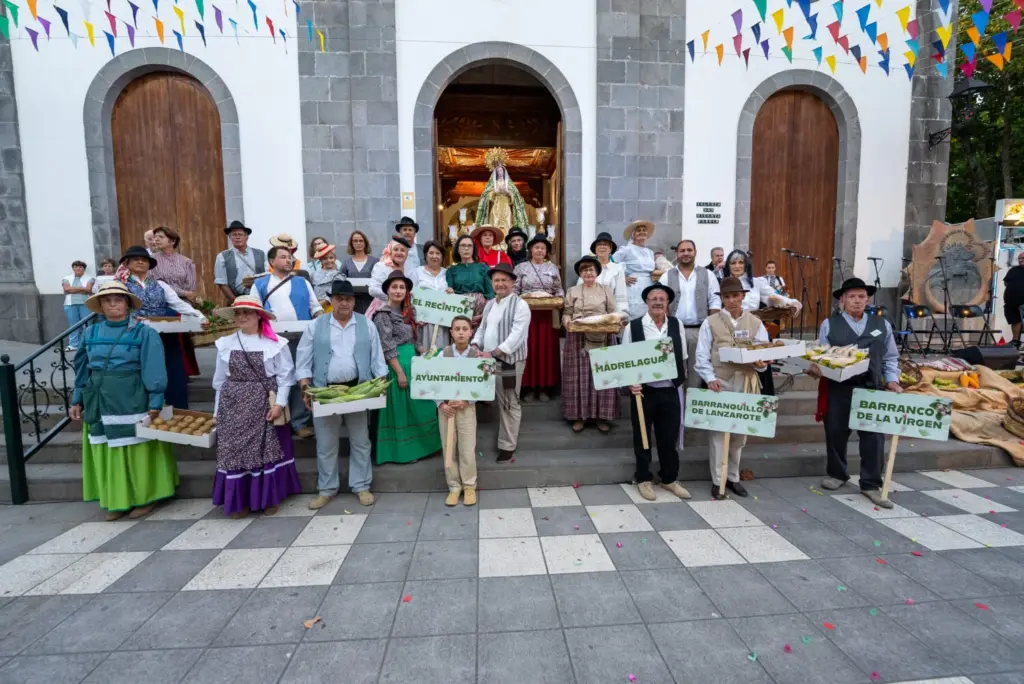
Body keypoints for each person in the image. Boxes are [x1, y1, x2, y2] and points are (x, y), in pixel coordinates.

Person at [69, 281, 178, 520]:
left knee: (135, 445)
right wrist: (77, 398)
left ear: (127, 303)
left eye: (118, 299)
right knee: (107, 446)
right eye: (107, 300)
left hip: (131, 394)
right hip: (98, 395)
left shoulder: (143, 332)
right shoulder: (91, 332)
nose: (113, 304)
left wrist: (155, 399)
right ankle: (117, 499)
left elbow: (154, 367)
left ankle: (144, 497)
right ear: (100, 305)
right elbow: (81, 368)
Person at [811, 277, 903, 508]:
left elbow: (890, 358)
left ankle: (871, 483)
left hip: (871, 387)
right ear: (842, 300)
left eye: (861, 296)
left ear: (868, 299)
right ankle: (837, 473)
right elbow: (822, 355)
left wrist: (892, 380)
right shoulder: (829, 325)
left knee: (873, 437)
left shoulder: (882, 325)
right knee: (835, 432)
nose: (857, 301)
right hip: (839, 387)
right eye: (851, 296)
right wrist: (816, 367)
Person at [296, 280, 388, 509]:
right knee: (326, 443)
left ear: (354, 301)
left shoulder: (366, 324)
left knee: (360, 440)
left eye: (348, 298)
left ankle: (361, 486)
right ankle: (327, 489)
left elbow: (377, 357)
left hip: (358, 389)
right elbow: (303, 359)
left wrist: (381, 382)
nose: (344, 303)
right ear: (332, 300)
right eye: (339, 298)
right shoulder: (316, 325)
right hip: (325, 390)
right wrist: (305, 387)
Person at [210, 295, 301, 518]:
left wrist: (280, 404)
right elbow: (219, 381)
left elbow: (285, 377)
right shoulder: (226, 343)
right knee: (235, 452)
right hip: (232, 406)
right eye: (238, 313)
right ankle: (239, 502)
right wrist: (216, 412)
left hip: (264, 405)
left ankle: (269, 498)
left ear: (259, 316)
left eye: (247, 313)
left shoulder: (276, 344)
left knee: (266, 451)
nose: (242, 317)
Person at [694, 277, 771, 500]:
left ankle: (733, 478)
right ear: (722, 298)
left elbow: (764, 353)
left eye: (735, 296)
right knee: (719, 434)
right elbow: (701, 356)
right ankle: (718, 480)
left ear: (742, 296)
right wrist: (709, 378)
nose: (731, 300)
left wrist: (762, 365)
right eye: (726, 297)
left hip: (746, 382)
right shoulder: (710, 322)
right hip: (721, 381)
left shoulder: (755, 323)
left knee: (739, 435)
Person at [621, 282, 690, 502]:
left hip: (670, 390)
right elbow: (624, 357)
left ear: (668, 302)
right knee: (642, 437)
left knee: (668, 437)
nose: (658, 302)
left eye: (662, 298)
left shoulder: (676, 324)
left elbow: (683, 356)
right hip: (644, 392)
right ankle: (643, 478)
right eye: (653, 298)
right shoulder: (634, 326)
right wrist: (631, 382)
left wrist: (681, 381)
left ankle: (669, 478)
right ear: (646, 302)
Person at [120, 245, 206, 410]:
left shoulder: (161, 285)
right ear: (126, 263)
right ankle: (144, 410)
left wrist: (199, 316)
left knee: (171, 371)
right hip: (136, 335)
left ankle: (175, 409)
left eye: (144, 259)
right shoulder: (120, 285)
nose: (140, 262)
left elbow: (177, 303)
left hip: (165, 334)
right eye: (136, 259)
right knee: (142, 371)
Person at [253, 246, 324, 438]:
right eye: (283, 257)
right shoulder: (260, 284)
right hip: (271, 340)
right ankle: (277, 419)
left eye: (290, 257)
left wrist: (321, 323)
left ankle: (300, 421)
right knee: (277, 379)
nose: (288, 260)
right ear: (272, 262)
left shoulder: (302, 282)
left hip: (301, 338)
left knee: (302, 377)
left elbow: (315, 307)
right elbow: (254, 310)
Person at [373, 270, 441, 463]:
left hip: (414, 362)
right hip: (397, 365)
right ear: (387, 291)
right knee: (403, 410)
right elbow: (387, 346)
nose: (398, 290)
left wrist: (423, 349)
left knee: (422, 406)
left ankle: (426, 447)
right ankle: (405, 452)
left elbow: (414, 340)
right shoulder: (382, 315)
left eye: (402, 287)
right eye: (394, 287)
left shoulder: (410, 313)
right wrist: (400, 372)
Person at [471, 263, 531, 462]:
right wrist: (475, 344)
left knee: (509, 403)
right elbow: (482, 329)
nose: (500, 283)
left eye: (504, 280)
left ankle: (508, 446)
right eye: (496, 280)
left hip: (509, 362)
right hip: (486, 359)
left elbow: (516, 337)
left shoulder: (521, 305)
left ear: (512, 282)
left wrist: (494, 353)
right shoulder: (490, 304)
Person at [562, 256, 619, 433]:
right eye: (584, 270)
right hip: (578, 338)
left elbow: (612, 313)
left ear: (596, 272)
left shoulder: (606, 290)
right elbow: (566, 313)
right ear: (580, 273)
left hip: (603, 337)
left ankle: (601, 416)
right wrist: (568, 325)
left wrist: (614, 324)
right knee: (579, 378)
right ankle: (580, 416)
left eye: (591, 269)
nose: (588, 272)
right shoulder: (573, 290)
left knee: (601, 376)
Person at [659, 240, 722, 388]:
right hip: (674, 330)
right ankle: (678, 405)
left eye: (689, 250)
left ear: (695, 252)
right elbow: (661, 302)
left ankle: (692, 406)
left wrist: (711, 326)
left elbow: (715, 300)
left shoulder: (708, 275)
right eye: (682, 251)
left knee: (697, 369)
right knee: (675, 369)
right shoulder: (666, 276)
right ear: (677, 254)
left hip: (699, 330)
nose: (686, 253)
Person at [437, 315, 480, 507]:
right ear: (451, 332)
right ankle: (454, 486)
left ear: (471, 332)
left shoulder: (477, 356)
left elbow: (483, 385)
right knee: (448, 447)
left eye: (465, 328)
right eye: (457, 329)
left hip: (466, 408)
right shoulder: (443, 354)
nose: (461, 332)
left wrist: (468, 400)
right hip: (446, 409)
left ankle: (469, 485)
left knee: (467, 447)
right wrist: (441, 404)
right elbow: (431, 382)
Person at [515, 235, 563, 402]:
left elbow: (559, 291)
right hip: (525, 316)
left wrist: (558, 301)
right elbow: (514, 290)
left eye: (543, 248)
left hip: (547, 316)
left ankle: (545, 387)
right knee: (529, 349)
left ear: (546, 251)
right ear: (530, 250)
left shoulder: (553, 268)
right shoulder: (521, 268)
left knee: (545, 350)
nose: (539, 251)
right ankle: (527, 387)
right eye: (536, 248)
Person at [150, 226, 200, 377]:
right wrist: (184, 293)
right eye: (155, 237)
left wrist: (188, 295)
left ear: (172, 241)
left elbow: (191, 285)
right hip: (163, 303)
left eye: (160, 237)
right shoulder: (152, 261)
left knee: (185, 336)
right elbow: (159, 283)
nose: (156, 240)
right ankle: (173, 370)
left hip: (184, 303)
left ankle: (187, 371)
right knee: (171, 338)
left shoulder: (186, 261)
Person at [446, 235, 494, 326]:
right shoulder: (451, 270)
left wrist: (483, 315)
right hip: (460, 314)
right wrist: (450, 291)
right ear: (457, 249)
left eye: (469, 246)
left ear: (473, 249)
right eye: (463, 246)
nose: (466, 248)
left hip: (482, 315)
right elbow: (449, 293)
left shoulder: (483, 267)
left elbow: (490, 294)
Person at [215, 220, 267, 303]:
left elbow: (268, 276)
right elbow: (221, 283)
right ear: (230, 237)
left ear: (246, 237)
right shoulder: (222, 256)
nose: (237, 237)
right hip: (237, 298)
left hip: (259, 298)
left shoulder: (260, 254)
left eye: (240, 234)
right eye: (234, 235)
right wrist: (236, 301)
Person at [614, 220, 657, 319]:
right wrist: (622, 278)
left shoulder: (649, 252)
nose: (642, 232)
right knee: (634, 316)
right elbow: (610, 263)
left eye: (644, 230)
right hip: (633, 286)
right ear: (633, 235)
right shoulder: (626, 249)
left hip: (649, 285)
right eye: (638, 230)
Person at [414, 240, 450, 351]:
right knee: (425, 353)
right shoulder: (417, 272)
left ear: (442, 256)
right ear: (426, 255)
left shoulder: (447, 273)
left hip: (443, 322)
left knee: (443, 353)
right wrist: (415, 318)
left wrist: (451, 293)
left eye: (438, 253)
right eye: (431, 253)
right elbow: (410, 296)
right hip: (424, 322)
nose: (434, 256)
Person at [339, 230, 379, 314]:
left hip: (371, 301)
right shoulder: (346, 262)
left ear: (365, 243)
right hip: (352, 302)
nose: (358, 243)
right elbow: (340, 281)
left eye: (361, 241)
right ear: (351, 243)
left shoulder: (375, 261)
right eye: (355, 241)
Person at [591, 232, 628, 314]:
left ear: (610, 249)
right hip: (589, 312)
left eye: (605, 244)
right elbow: (580, 289)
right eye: (599, 244)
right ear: (595, 249)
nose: (602, 247)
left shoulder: (617, 269)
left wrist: (621, 315)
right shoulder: (589, 267)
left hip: (610, 313)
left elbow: (621, 295)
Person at [369, 236, 413, 303]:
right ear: (390, 252)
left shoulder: (409, 268)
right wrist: (392, 297)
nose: (399, 253)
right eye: (396, 249)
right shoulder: (381, 266)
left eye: (403, 250)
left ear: (407, 254)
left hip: (404, 308)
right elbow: (372, 290)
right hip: (383, 307)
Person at [62, 261, 94, 351]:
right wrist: (83, 289)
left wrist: (72, 289)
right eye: (76, 267)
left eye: (80, 267)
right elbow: (66, 289)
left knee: (87, 324)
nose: (78, 268)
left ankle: (87, 343)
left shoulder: (90, 278)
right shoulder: (66, 278)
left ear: (84, 268)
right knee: (73, 325)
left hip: (86, 303)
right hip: (70, 304)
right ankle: (73, 345)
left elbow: (89, 289)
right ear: (73, 268)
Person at [1004, 251, 1024, 346]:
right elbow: (1006, 282)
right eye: (1019, 258)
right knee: (1015, 320)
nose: (1020, 260)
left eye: (1022, 258)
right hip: (1011, 301)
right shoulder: (1014, 270)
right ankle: (1015, 341)